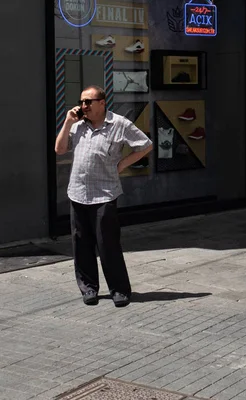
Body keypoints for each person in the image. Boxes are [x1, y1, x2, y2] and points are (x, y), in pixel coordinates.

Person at [54, 85, 153, 307]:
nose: (83, 106)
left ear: (102, 102)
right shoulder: (78, 125)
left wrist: (123, 164)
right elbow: (59, 149)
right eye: (82, 102)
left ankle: (119, 290)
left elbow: (145, 145)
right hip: (78, 192)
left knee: (108, 244)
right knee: (81, 244)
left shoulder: (119, 124)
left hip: (105, 193)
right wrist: (68, 122)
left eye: (88, 102)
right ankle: (89, 288)